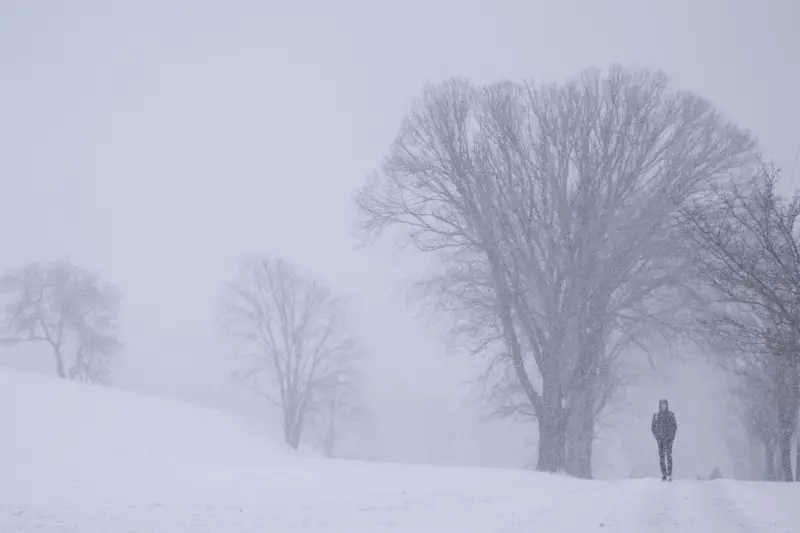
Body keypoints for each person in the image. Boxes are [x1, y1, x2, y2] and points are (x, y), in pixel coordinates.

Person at [651, 398, 677, 481]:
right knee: (661, 457)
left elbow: (674, 427)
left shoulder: (671, 415)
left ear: (667, 405)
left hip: (669, 440)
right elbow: (653, 428)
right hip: (660, 440)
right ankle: (664, 474)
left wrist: (671, 437)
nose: (663, 406)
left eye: (665, 405)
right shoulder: (656, 416)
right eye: (662, 405)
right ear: (660, 406)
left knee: (669, 456)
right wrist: (657, 437)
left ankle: (669, 474)